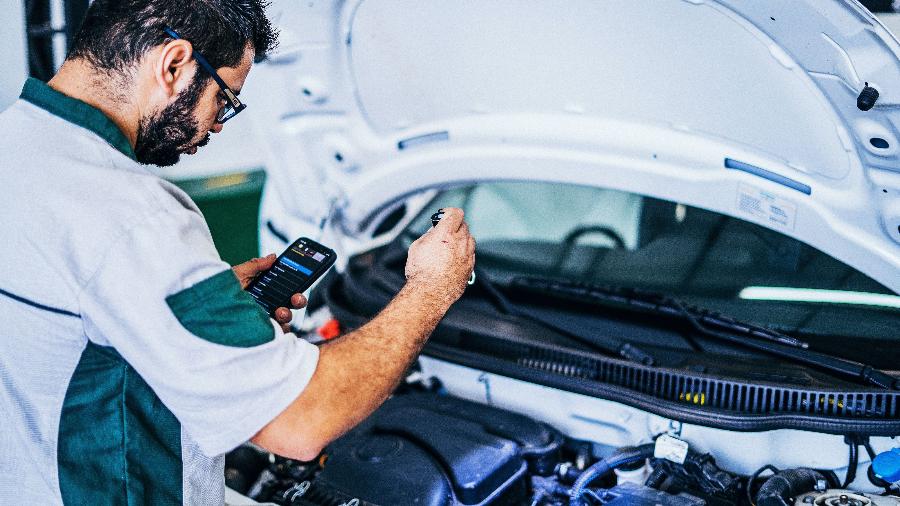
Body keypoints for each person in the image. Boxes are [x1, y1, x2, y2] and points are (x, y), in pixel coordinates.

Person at [0, 1, 475, 504]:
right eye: (225, 99)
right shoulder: (136, 218)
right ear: (174, 64)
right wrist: (431, 289)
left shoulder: (16, 145)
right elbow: (301, 421)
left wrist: (199, 303)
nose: (219, 125)